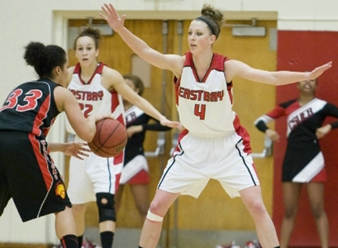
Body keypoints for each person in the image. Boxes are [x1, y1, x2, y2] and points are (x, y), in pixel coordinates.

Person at [100, 3, 332, 248]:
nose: (192, 37)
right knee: (156, 207)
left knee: (256, 205)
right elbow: (147, 52)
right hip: (192, 145)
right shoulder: (180, 64)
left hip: (228, 145)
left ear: (212, 39)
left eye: (198, 34)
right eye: (189, 33)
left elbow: (270, 77)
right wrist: (120, 30)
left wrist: (305, 76)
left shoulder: (227, 67)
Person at [65, 27, 180, 248]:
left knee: (106, 201)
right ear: (75, 52)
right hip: (79, 145)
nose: (85, 52)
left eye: (89, 48)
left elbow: (136, 100)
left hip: (105, 148)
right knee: (76, 206)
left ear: (97, 51)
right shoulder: (69, 76)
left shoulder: (109, 76)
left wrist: (161, 118)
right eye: (80, 48)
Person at [0, 41, 107, 248]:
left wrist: (61, 147)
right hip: (24, 142)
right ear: (58, 69)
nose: (68, 73)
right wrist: (94, 118)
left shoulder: (19, 89)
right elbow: (86, 133)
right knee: (63, 206)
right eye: (67, 68)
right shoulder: (61, 92)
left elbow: (14, 135)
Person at [254, 78, 338, 248]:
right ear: (297, 85)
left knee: (317, 209)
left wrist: (329, 127)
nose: (308, 83)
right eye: (304, 80)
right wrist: (268, 130)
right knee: (290, 211)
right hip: (292, 160)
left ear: (316, 85)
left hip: (314, 160)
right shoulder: (287, 106)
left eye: (313, 81)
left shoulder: (322, 106)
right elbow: (259, 121)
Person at [114, 74, 172, 222]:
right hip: (114, 161)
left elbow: (164, 125)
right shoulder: (112, 109)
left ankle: (149, 244)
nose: (124, 90)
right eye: (122, 86)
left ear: (137, 90)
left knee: (143, 208)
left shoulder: (142, 109)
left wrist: (141, 127)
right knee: (111, 209)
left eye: (129, 87)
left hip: (135, 160)